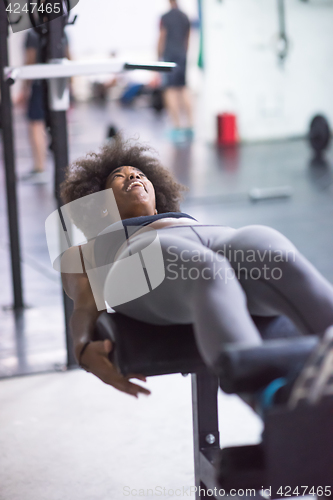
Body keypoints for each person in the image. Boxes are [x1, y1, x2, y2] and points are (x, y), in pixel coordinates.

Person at [59, 136, 333, 400]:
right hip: (139, 257)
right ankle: (272, 399)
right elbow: (84, 306)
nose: (134, 176)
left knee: (273, 253)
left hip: (213, 237)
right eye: (119, 176)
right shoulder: (89, 249)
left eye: (140, 174)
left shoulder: (183, 218)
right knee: (208, 270)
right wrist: (82, 348)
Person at [18, 29, 70, 184]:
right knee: (58, 122)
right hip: (58, 83)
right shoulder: (62, 31)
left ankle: (40, 167)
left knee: (35, 124)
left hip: (40, 84)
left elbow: (30, 59)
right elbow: (69, 55)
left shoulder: (33, 33)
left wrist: (25, 87)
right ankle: (62, 168)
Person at [158, 0, 194, 143]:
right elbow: (187, 39)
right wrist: (184, 54)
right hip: (182, 55)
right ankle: (190, 126)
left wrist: (158, 55)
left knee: (170, 90)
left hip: (169, 57)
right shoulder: (185, 17)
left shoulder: (165, 17)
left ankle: (177, 127)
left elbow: (162, 37)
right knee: (183, 88)